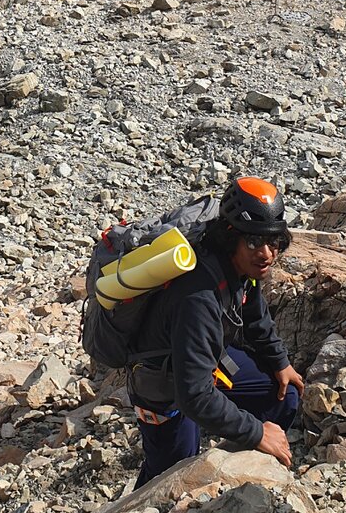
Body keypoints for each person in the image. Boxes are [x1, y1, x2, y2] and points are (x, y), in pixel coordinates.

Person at [126, 176, 304, 487]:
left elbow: (253, 311)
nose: (266, 253)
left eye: (273, 241)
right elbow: (193, 395)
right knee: (170, 479)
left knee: (282, 395)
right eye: (254, 242)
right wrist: (257, 432)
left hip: (203, 360)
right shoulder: (198, 297)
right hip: (162, 384)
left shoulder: (240, 266)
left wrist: (279, 360)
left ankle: (238, 480)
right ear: (230, 236)